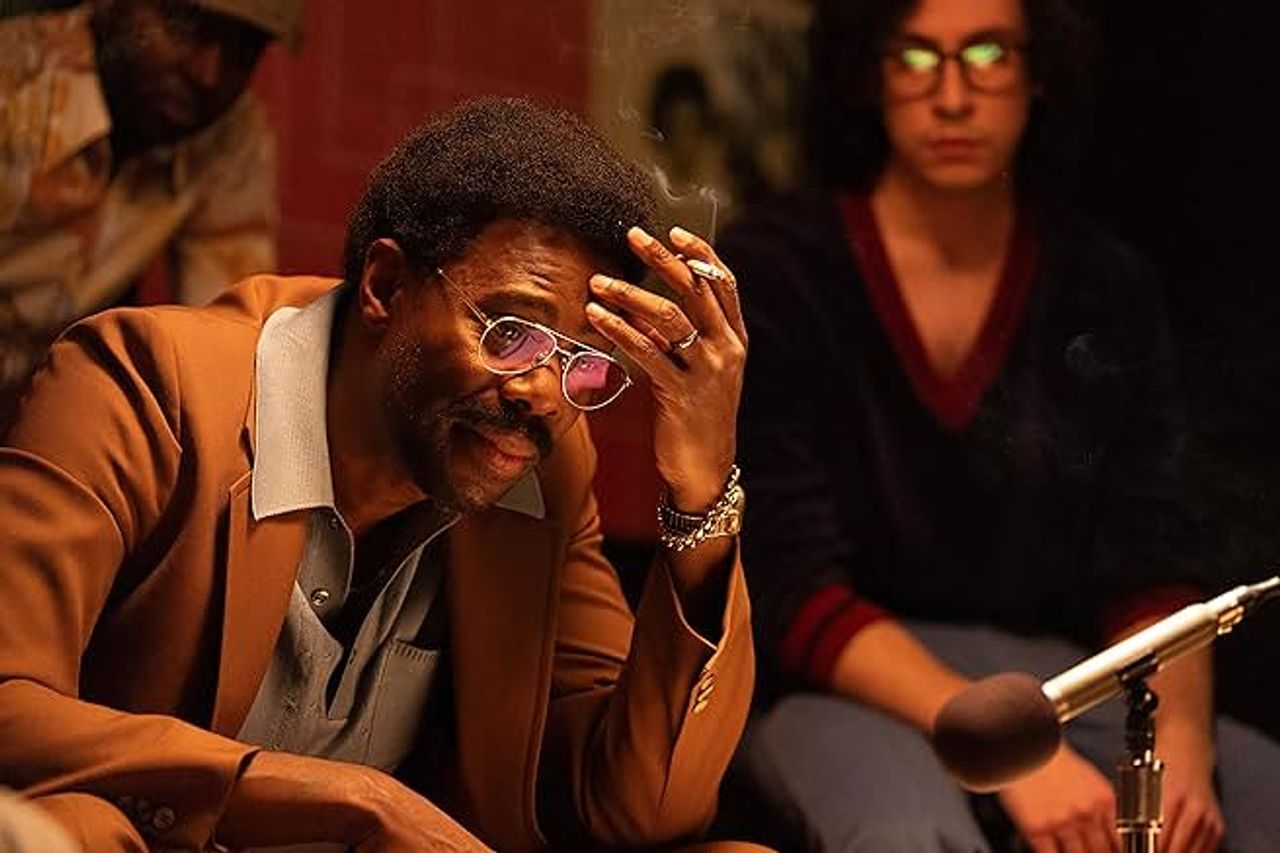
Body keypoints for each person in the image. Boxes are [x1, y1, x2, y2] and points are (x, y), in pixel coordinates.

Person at [0, 96, 763, 852]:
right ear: (386, 286)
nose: (542, 393)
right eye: (511, 333)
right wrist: (354, 802)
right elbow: (9, 705)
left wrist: (702, 493)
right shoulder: (144, 384)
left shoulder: (546, 473)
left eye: (583, 363)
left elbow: (637, 809)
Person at [719, 0, 1280, 850]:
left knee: (1258, 797)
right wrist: (1008, 749)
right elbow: (788, 582)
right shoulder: (781, 270)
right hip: (841, 683)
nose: (952, 97)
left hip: (1060, 675)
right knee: (904, 833)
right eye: (916, 59)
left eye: (987, 56)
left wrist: (1181, 743)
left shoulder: (1102, 283)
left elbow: (1154, 559)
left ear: (1036, 71)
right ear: (870, 74)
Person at [0, 0, 301, 420]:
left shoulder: (229, 140)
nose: (209, 74)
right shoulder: (12, 86)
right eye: (188, 26)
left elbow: (227, 352)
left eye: (244, 50)